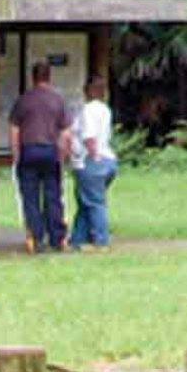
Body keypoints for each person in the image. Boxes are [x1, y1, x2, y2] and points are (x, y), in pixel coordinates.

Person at [8, 61, 74, 252]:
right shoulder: (57, 100)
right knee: (53, 194)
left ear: (33, 77)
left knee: (30, 196)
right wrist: (63, 155)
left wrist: (16, 154)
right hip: (50, 151)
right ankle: (57, 238)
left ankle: (36, 238)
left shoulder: (24, 100)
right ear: (49, 76)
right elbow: (66, 133)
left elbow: (14, 130)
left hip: (29, 150)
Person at [68, 75, 118, 250]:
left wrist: (93, 154)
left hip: (91, 160)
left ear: (88, 91)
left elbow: (89, 136)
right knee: (85, 201)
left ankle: (101, 240)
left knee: (95, 202)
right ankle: (78, 239)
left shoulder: (88, 110)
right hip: (108, 159)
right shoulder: (105, 109)